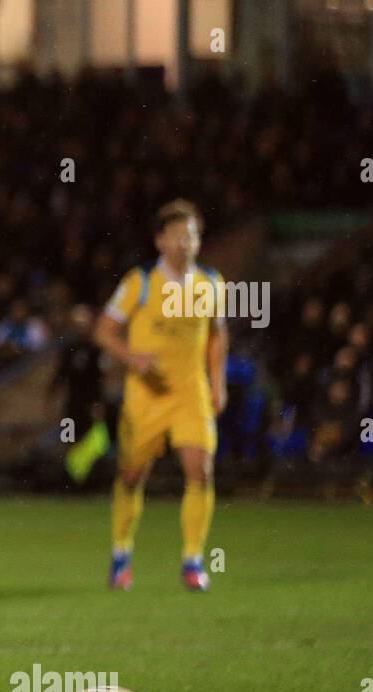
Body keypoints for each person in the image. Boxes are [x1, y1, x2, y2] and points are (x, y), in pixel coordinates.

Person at [93, 199, 228, 592]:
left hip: (191, 392)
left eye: (192, 236)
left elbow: (217, 334)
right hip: (146, 396)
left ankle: (193, 561)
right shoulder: (141, 282)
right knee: (132, 476)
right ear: (160, 241)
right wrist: (130, 357)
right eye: (177, 236)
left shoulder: (211, 283)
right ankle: (121, 555)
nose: (185, 243)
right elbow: (104, 330)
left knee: (200, 471)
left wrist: (217, 381)